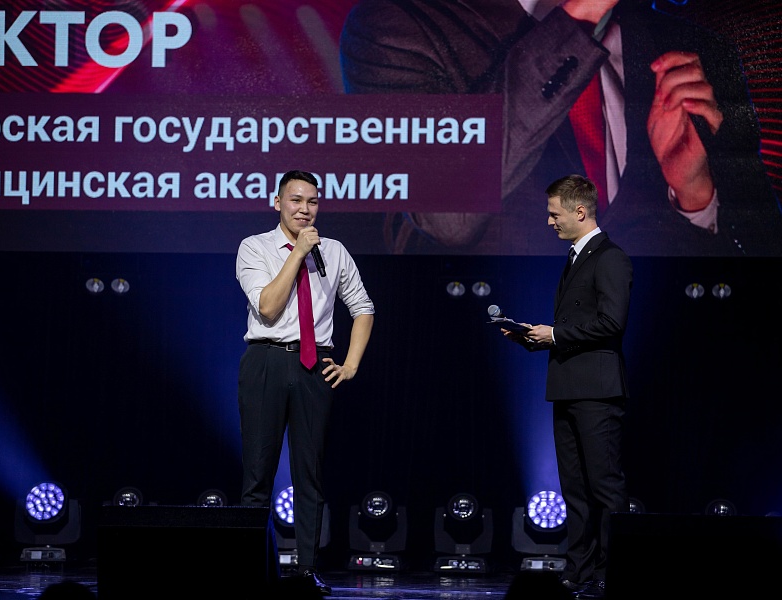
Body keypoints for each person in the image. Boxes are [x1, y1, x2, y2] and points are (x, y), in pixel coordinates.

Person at [340, 0, 782, 256]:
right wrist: (581, 13)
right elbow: (447, 216)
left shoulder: (695, 48)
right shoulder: (393, 27)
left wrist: (696, 198)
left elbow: (759, 255)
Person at [236, 169, 375, 596]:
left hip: (315, 366)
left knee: (309, 474)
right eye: (296, 200)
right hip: (266, 361)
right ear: (277, 202)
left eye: (312, 202)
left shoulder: (334, 251)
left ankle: (306, 570)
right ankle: (253, 572)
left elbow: (363, 307)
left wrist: (350, 364)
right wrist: (297, 252)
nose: (305, 209)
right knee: (258, 475)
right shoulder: (254, 247)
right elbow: (268, 306)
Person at [501, 175, 632, 599]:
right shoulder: (576, 258)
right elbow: (576, 325)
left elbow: (611, 323)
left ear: (580, 211)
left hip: (597, 391)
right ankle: (579, 570)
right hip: (568, 387)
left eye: (554, 213)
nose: (549, 221)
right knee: (574, 489)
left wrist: (554, 334)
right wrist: (532, 338)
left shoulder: (610, 257)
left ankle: (613, 572)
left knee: (604, 487)